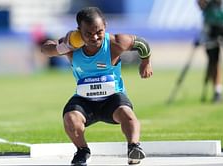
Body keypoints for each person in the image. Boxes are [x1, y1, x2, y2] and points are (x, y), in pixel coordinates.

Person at [41, 7, 153, 166]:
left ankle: (134, 148)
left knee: (127, 115)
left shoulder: (116, 43)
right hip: (84, 100)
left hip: (113, 98)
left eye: (99, 31)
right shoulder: (72, 45)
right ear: (79, 31)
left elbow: (141, 44)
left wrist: (146, 63)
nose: (94, 37)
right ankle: (82, 151)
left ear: (105, 26)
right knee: (70, 118)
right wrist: (62, 48)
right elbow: (45, 49)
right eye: (88, 33)